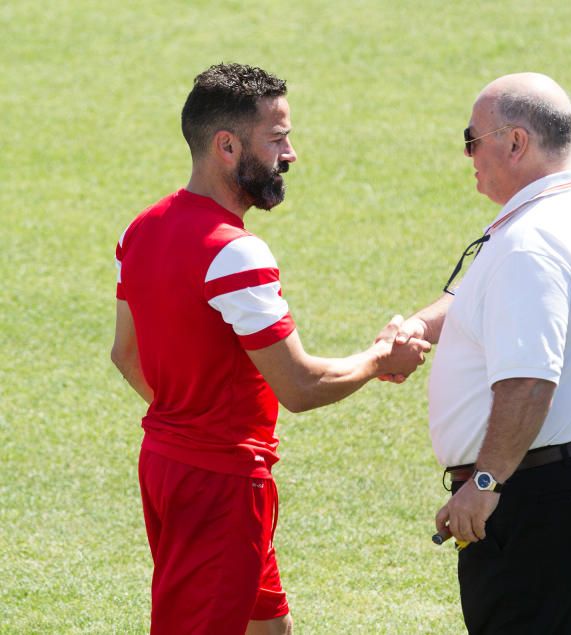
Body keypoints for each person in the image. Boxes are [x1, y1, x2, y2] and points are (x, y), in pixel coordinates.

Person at [110, 63, 430, 635]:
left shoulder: (140, 230)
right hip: (222, 486)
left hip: (167, 465)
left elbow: (125, 356)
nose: (291, 154)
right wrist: (383, 359)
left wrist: (189, 418)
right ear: (226, 146)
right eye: (277, 138)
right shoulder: (236, 253)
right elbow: (300, 386)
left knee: (268, 625)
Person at [383, 73, 571, 634]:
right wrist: (421, 324)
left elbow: (529, 382)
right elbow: (485, 299)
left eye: (472, 138)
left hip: (554, 498)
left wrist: (484, 484)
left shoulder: (530, 241)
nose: (467, 153)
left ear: (515, 142)